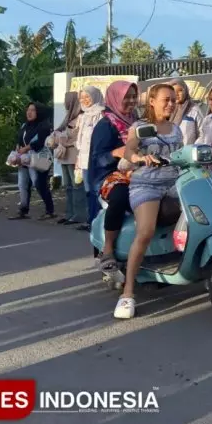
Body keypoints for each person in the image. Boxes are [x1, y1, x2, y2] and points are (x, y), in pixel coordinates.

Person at [114, 83, 183, 319]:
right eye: (166, 99)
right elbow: (128, 151)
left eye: (174, 100)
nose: (171, 104)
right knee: (145, 231)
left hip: (174, 184)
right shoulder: (140, 127)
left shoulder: (176, 130)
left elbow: (181, 155)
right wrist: (140, 158)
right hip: (147, 185)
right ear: (152, 101)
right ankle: (128, 292)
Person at [89, 81, 138, 279]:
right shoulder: (106, 124)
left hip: (134, 171)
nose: (131, 101)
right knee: (120, 196)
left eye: (134, 96)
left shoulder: (135, 120)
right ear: (116, 98)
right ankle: (108, 250)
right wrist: (119, 152)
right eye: (126, 97)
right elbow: (98, 158)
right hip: (108, 175)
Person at [9, 102, 56, 221]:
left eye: (33, 110)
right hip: (24, 158)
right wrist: (17, 152)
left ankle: (49, 210)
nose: (29, 113)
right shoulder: (25, 125)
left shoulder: (44, 126)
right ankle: (23, 210)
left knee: (39, 183)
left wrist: (25, 149)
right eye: (28, 110)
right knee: (22, 184)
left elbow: (40, 142)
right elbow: (20, 139)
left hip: (39, 158)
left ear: (38, 112)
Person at [76, 86, 106, 232]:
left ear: (95, 96)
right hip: (84, 159)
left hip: (96, 160)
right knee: (88, 191)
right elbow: (80, 140)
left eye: (87, 97)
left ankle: (97, 221)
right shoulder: (84, 115)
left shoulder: (101, 114)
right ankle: (90, 219)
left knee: (97, 191)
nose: (85, 100)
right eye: (82, 98)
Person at [53, 92, 83, 225]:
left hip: (73, 156)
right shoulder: (68, 117)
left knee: (77, 186)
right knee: (68, 187)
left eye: (67, 101)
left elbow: (81, 138)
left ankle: (79, 215)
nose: (65, 103)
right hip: (64, 156)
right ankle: (69, 213)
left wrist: (68, 142)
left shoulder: (81, 118)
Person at [170, 78, 201, 146]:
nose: (177, 94)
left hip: (189, 153)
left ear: (185, 91)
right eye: (173, 91)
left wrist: (193, 148)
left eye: (180, 90)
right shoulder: (169, 110)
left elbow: (202, 133)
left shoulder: (194, 109)